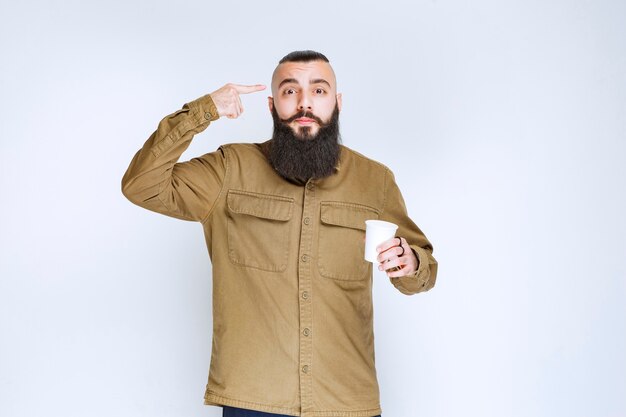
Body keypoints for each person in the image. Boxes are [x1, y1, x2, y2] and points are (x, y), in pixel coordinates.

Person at [122, 50, 437, 417]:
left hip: (347, 401)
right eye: (290, 92)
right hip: (254, 399)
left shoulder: (375, 181)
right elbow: (142, 186)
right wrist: (203, 111)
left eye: (319, 91)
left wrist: (411, 260)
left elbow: (421, 275)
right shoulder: (230, 169)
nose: (305, 103)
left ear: (337, 103)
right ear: (273, 106)